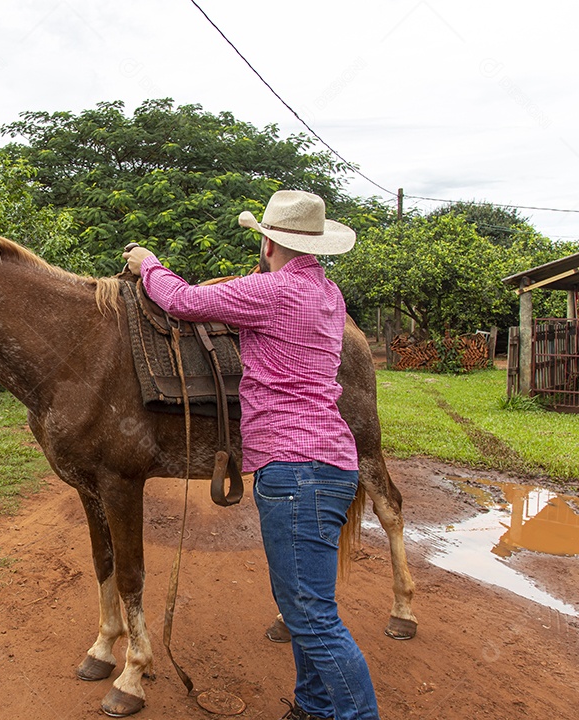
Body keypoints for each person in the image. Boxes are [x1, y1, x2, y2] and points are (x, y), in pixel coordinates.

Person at [123, 190, 380, 720]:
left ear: (267, 242)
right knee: (308, 605)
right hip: (331, 464)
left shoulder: (272, 291)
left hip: (293, 468)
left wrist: (150, 264)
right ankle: (311, 707)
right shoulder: (330, 295)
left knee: (310, 615)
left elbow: (184, 302)